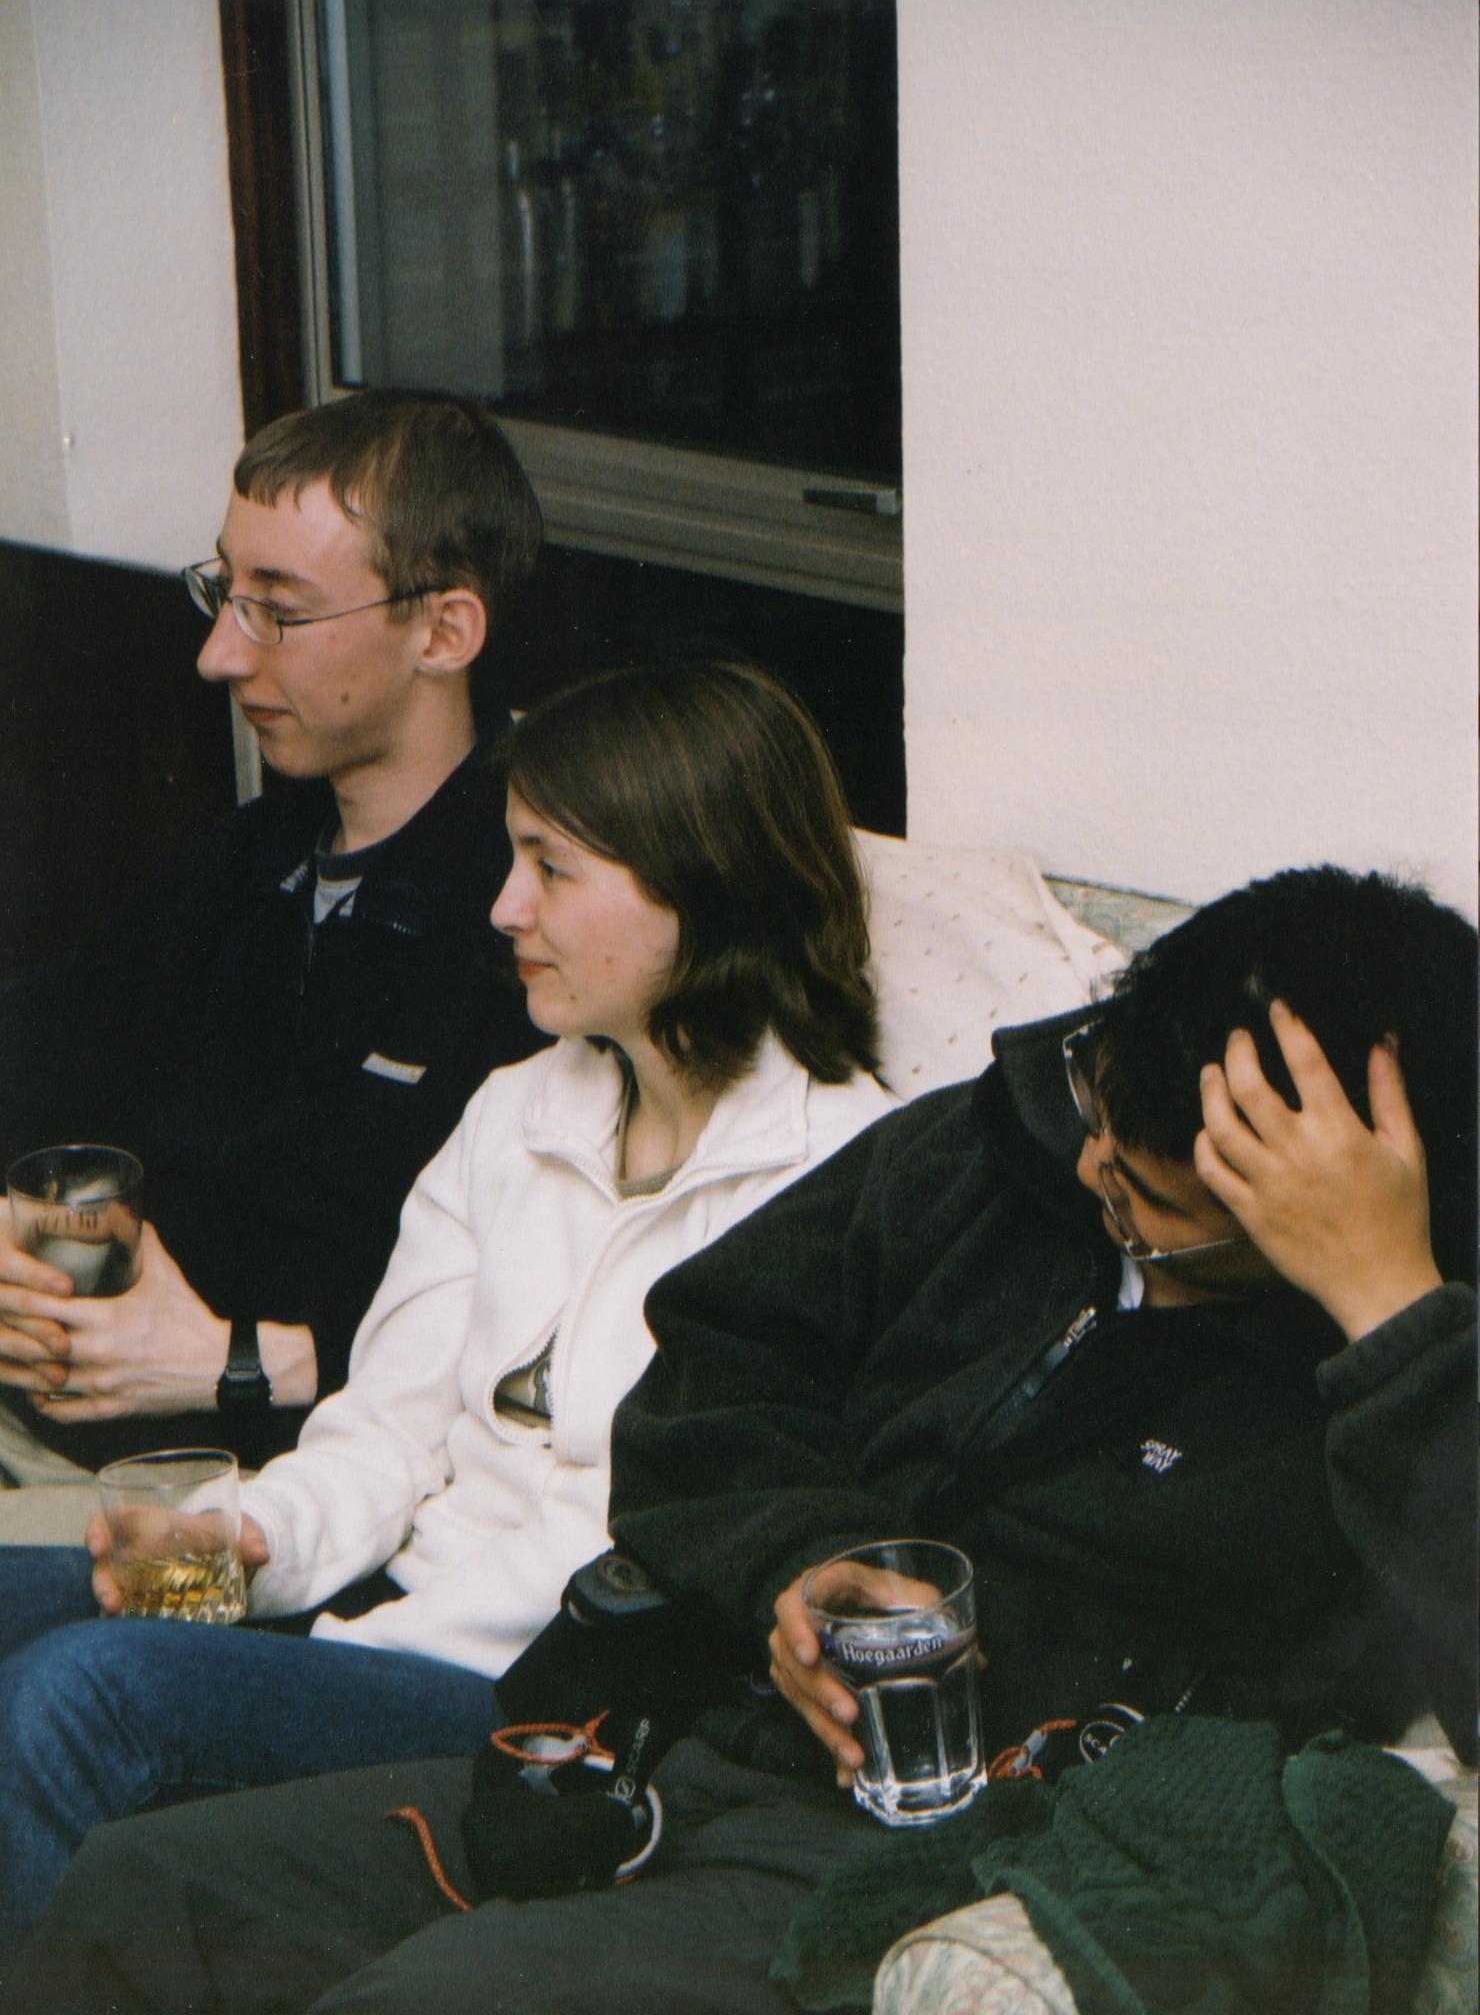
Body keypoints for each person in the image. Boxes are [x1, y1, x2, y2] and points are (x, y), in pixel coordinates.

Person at [6, 865, 1468, 2015]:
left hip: (929, 1846)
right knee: (146, 1896)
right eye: (1101, 1127)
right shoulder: (997, 1152)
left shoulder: (1403, 1362)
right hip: (655, 1728)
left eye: (1159, 1203)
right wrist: (797, 1557)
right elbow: (709, 1364)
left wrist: (1388, 1311)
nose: (1099, 1181)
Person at [0, 656, 895, 1959]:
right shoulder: (518, 1110)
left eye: (550, 869)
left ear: (704, 887)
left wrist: (325, 1644)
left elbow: (641, 1542)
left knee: (84, 1695)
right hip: (368, 1613)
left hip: (525, 1690)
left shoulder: (845, 1179)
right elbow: (387, 1425)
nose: (503, 907)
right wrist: (242, 1542)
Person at [0, 390, 546, 1516]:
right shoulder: (244, 864)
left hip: (273, 1503)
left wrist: (233, 1361)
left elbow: (545, 1327)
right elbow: (33, 1047)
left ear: (444, 633)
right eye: (223, 594)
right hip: (57, 1434)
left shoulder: (527, 924)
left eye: (278, 613)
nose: (217, 656)